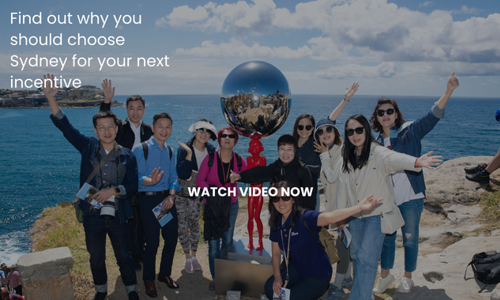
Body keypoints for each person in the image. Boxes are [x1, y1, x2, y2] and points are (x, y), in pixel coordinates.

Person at [43, 74, 140, 300]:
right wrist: (51, 99)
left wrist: (112, 191)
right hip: (92, 215)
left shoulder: (127, 155)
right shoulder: (87, 146)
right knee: (96, 257)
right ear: (95, 131)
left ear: (117, 129)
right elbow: (65, 126)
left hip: (118, 215)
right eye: (101, 127)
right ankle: (101, 291)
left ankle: (132, 290)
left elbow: (132, 186)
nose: (107, 131)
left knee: (124, 256)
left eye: (110, 127)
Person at [335, 114, 442, 300]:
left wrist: (416, 162)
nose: (355, 135)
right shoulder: (346, 156)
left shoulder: (377, 152)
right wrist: (341, 218)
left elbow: (395, 158)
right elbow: (341, 189)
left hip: (377, 214)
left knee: (367, 260)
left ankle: (358, 297)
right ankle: (362, 295)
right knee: (358, 258)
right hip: (355, 216)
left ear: (366, 130)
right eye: (350, 131)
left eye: (359, 129)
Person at [371, 72, 459, 294]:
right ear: (377, 117)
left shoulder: (410, 130)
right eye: (381, 112)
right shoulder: (376, 143)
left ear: (396, 113)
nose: (386, 115)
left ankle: (407, 277)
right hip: (389, 199)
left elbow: (432, 116)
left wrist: (448, 91)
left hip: (411, 197)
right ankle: (384, 276)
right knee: (387, 240)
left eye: (390, 111)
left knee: (410, 238)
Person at [264, 181, 383, 300]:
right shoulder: (277, 223)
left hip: (318, 275)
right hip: (298, 268)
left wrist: (359, 207)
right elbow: (275, 253)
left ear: (293, 199)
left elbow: (330, 217)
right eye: (276, 198)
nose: (281, 202)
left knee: (289, 298)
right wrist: (278, 276)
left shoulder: (305, 217)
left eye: (285, 197)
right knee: (269, 287)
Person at [100, 79, 153, 271]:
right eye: (131, 108)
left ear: (144, 110)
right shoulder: (119, 127)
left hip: (147, 183)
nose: (135, 112)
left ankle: (141, 251)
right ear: (126, 109)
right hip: (126, 183)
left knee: (145, 223)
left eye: (139, 108)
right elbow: (104, 119)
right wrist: (107, 100)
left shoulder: (150, 130)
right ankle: (132, 256)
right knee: (130, 223)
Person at [132, 112, 182, 298]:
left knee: (170, 238)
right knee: (152, 242)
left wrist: (171, 195)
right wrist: (149, 181)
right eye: (160, 126)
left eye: (168, 126)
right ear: (152, 128)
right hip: (148, 199)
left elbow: (174, 176)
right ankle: (148, 279)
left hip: (165, 201)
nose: (164, 130)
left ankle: (163, 274)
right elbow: (134, 177)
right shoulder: (140, 149)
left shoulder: (169, 151)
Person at [292, 83, 359, 210]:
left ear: (313, 129)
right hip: (292, 193)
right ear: (296, 128)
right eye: (301, 127)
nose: (304, 130)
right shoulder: (292, 146)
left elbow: (330, 121)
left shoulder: (317, 144)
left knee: (311, 226)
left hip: (311, 193)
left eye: (308, 127)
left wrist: (345, 100)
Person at [196, 127, 247, 291]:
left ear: (235, 140)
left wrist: (239, 177)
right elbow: (199, 181)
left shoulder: (239, 160)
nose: (227, 138)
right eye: (223, 135)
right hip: (211, 206)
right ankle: (216, 277)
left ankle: (226, 276)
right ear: (219, 140)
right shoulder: (210, 159)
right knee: (213, 245)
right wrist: (215, 191)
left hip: (230, 206)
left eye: (231, 136)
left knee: (227, 242)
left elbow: (249, 176)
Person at [312, 119, 351, 300]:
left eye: (329, 129)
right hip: (337, 207)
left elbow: (332, 175)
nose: (325, 133)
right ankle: (348, 277)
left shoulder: (342, 150)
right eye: (320, 131)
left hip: (347, 207)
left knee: (342, 246)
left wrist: (325, 155)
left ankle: (337, 285)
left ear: (336, 131)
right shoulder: (329, 151)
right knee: (347, 244)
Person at [230, 134, 316, 210]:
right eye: (282, 149)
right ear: (278, 151)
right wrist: (239, 176)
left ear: (295, 151)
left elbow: (309, 201)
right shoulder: (277, 167)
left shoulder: (302, 170)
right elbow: (260, 173)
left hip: (297, 217)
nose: (285, 153)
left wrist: (300, 219)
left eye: (289, 149)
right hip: (279, 215)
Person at [176, 119, 217, 273]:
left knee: (194, 225)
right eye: (201, 130)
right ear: (194, 131)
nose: (204, 134)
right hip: (182, 194)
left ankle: (194, 256)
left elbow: (212, 175)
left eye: (207, 131)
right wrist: (188, 153)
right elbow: (183, 174)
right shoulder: (185, 148)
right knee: (182, 226)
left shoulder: (211, 150)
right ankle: (187, 257)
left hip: (197, 195)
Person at [245, 138, 266, 250]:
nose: (254, 148)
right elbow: (250, 175)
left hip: (259, 191)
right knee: (250, 217)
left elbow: (262, 176)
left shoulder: (263, 159)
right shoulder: (249, 159)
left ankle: (260, 242)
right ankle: (250, 241)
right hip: (252, 191)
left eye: (256, 145)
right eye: (252, 146)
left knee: (257, 217)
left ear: (261, 148)